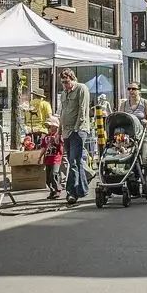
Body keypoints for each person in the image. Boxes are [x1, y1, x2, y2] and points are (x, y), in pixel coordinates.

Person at [58, 68, 91, 205]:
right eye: (62, 82)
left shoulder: (81, 89)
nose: (65, 85)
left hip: (78, 130)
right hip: (66, 131)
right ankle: (83, 186)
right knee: (75, 162)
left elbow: (82, 110)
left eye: (67, 82)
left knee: (73, 161)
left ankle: (71, 192)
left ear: (73, 79)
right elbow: (62, 113)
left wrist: (76, 129)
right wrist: (59, 131)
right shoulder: (63, 93)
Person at [119, 82, 147, 164]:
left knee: (143, 157)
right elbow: (120, 117)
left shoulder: (145, 103)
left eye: (134, 89)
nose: (131, 91)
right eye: (129, 89)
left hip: (142, 132)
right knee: (128, 155)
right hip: (129, 133)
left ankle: (143, 169)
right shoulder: (124, 104)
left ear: (139, 91)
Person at [41, 116, 64, 200]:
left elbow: (61, 144)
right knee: (48, 178)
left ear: (55, 127)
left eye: (50, 127)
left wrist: (58, 138)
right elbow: (43, 148)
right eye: (47, 127)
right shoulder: (45, 137)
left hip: (55, 159)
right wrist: (40, 156)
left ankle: (58, 190)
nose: (48, 129)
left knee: (53, 174)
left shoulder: (58, 136)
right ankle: (52, 191)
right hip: (48, 159)